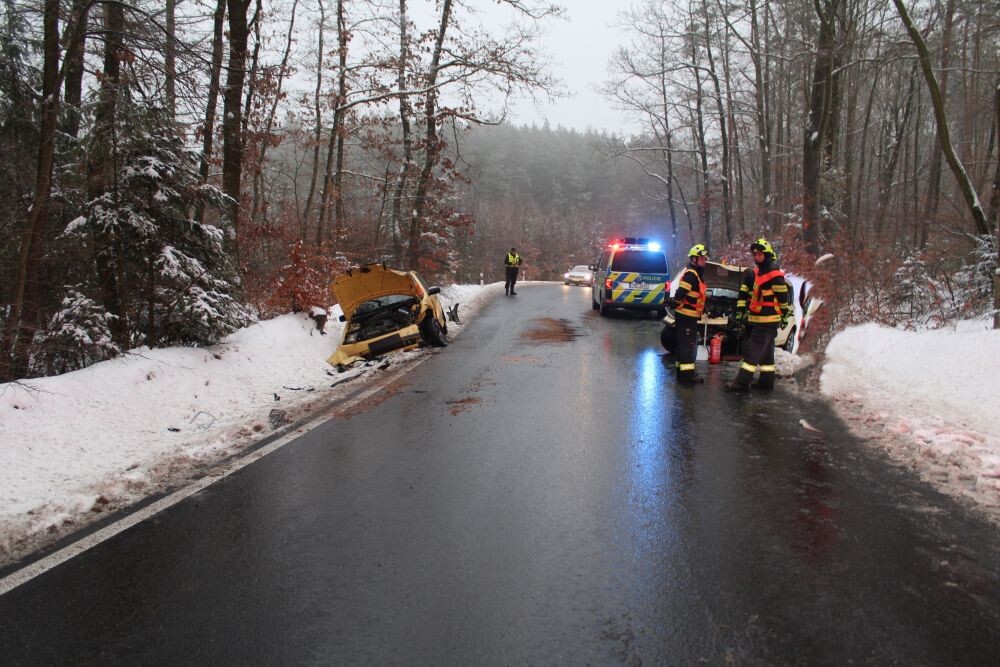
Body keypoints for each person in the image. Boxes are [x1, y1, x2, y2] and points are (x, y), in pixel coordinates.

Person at [726, 238, 791, 391]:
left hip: (766, 321)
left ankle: (741, 383)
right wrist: (741, 314)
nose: (756, 258)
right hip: (759, 320)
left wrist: (785, 314)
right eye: (755, 255)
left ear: (767, 255)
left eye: (759, 255)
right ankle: (766, 383)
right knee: (766, 355)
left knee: (752, 352)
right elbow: (747, 296)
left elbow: (783, 298)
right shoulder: (759, 273)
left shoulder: (774, 274)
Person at [671, 243, 710, 385]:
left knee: (683, 344)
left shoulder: (695, 274)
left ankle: (682, 373)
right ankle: (687, 376)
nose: (704, 261)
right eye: (702, 259)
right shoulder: (692, 275)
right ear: (694, 259)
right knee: (688, 345)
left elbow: (695, 295)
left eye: (705, 259)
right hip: (687, 316)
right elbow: (681, 292)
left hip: (688, 315)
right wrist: (676, 302)